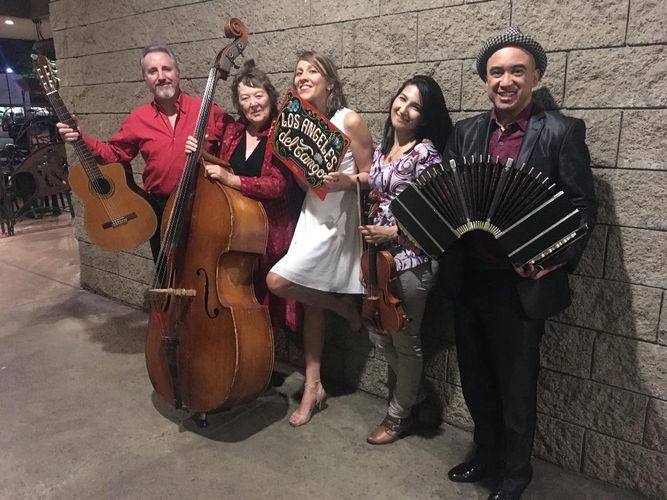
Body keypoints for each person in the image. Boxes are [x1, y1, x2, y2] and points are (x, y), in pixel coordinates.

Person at [442, 27, 597, 500]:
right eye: (495, 72)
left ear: (536, 76)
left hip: (521, 284)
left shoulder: (561, 131)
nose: (505, 80)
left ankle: (514, 476)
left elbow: (582, 208)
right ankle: (485, 454)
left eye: (516, 71)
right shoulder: (466, 132)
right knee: (476, 378)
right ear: (485, 81)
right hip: (471, 277)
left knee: (516, 387)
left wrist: (553, 260)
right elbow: (447, 196)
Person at [266, 51, 374, 427]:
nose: (303, 76)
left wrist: (348, 182)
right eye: (298, 71)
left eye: (313, 70)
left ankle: (344, 310)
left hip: (339, 220)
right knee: (312, 304)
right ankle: (313, 386)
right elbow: (305, 181)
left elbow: (375, 176)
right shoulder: (294, 124)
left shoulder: (350, 120)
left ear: (331, 82)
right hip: (311, 216)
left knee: (278, 281)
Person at [56, 44, 228, 261]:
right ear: (146, 79)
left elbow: (233, 145)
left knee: (204, 266)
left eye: (166, 69)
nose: (161, 76)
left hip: (203, 204)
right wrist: (81, 137)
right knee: (165, 274)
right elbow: (114, 155)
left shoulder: (206, 110)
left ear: (178, 73)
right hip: (159, 207)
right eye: (152, 71)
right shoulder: (138, 118)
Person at [358, 75, 452, 444]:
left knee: (404, 339)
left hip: (413, 258)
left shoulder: (425, 154)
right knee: (381, 333)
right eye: (401, 99)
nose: (404, 108)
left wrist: (392, 234)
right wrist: (351, 182)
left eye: (415, 106)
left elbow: (437, 217)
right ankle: (418, 397)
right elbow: (380, 186)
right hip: (379, 259)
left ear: (425, 117)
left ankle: (400, 416)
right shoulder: (385, 148)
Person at [184, 60, 304, 332]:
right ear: (239, 105)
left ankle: (267, 358)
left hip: (272, 234)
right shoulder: (234, 131)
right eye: (245, 98)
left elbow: (277, 185)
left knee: (269, 304)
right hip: (237, 231)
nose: (253, 104)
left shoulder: (282, 132)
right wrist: (199, 151)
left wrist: (233, 180)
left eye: (258, 95)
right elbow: (220, 167)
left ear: (270, 97)